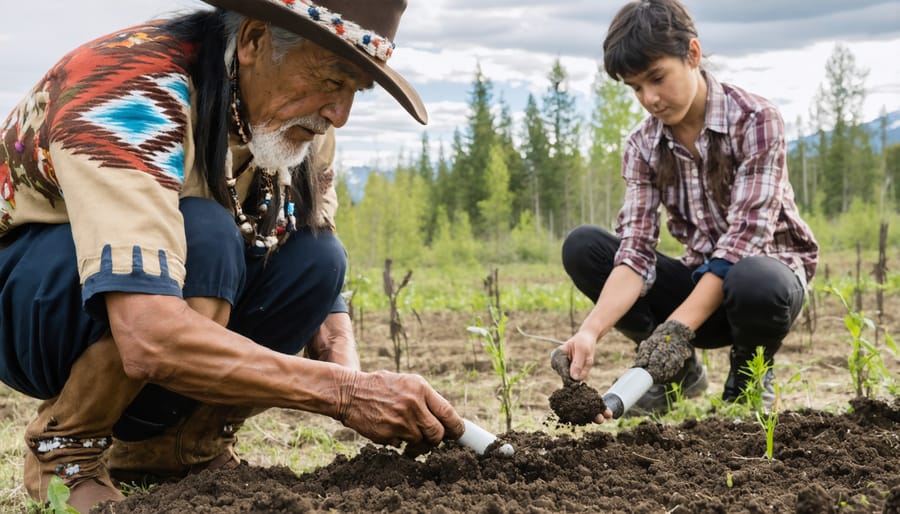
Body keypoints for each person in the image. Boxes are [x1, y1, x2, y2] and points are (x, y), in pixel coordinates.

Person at [0, 0, 465, 511]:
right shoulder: (129, 91)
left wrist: (350, 371)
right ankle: (66, 449)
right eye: (334, 80)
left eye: (355, 90)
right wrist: (343, 393)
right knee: (207, 233)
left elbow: (323, 289)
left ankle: (177, 448)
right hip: (32, 294)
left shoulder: (300, 124)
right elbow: (147, 333)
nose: (340, 114)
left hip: (153, 287)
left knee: (319, 259)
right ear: (253, 42)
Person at [558, 0, 818, 421]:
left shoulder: (756, 119)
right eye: (635, 87)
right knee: (585, 247)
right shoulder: (643, 146)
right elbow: (636, 252)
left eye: (657, 78)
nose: (650, 98)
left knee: (753, 274)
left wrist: (675, 332)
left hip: (765, 292)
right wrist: (590, 331)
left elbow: (742, 243)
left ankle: (749, 383)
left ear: (692, 55)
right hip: (700, 295)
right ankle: (676, 374)